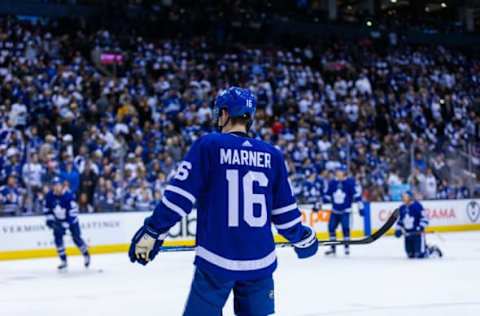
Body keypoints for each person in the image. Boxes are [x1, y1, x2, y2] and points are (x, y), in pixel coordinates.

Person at [128, 87, 318, 316]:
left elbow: (179, 197)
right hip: (260, 262)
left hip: (216, 259)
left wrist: (153, 230)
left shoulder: (208, 145)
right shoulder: (273, 155)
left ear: (225, 114)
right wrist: (303, 238)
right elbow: (286, 218)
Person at [43, 178, 90, 269]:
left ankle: (86, 255)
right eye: (55, 185)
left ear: (62, 186)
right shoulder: (49, 196)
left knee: (76, 239)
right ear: (53, 187)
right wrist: (51, 221)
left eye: (58, 185)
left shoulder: (68, 196)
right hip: (59, 221)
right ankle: (63, 260)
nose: (57, 187)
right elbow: (47, 210)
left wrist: (68, 223)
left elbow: (73, 212)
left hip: (71, 221)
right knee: (58, 240)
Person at [322, 165, 362, 256]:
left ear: (344, 172)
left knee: (345, 229)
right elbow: (327, 195)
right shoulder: (332, 183)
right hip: (335, 210)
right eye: (337, 171)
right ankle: (332, 248)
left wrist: (361, 206)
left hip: (345, 211)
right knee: (331, 228)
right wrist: (321, 202)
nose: (338, 173)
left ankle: (346, 247)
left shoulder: (350, 182)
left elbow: (357, 195)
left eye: (340, 171)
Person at [394, 191, 442, 259]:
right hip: (408, 235)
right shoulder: (402, 208)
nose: (403, 198)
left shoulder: (417, 205)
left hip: (418, 235)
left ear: (409, 197)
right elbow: (400, 221)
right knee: (410, 255)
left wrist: (420, 227)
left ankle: (433, 250)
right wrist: (397, 230)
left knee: (420, 255)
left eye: (405, 196)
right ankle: (424, 247)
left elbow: (424, 219)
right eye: (402, 196)